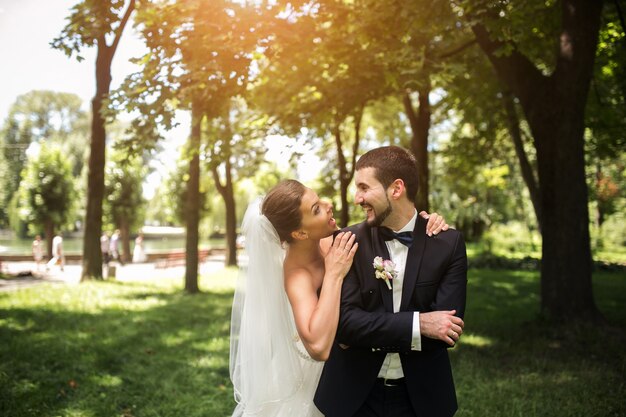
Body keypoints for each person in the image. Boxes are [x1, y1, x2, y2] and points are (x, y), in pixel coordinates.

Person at [230, 179, 449, 417]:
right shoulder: (297, 276)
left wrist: (419, 223)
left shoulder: (333, 238)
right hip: (319, 379)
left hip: (361, 360)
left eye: (319, 199)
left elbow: (383, 227)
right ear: (300, 232)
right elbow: (319, 348)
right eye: (316, 209)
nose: (328, 205)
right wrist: (333, 274)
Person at [314, 146, 467, 417]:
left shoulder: (448, 244)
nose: (357, 198)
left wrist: (371, 328)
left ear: (396, 189)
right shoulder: (347, 243)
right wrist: (419, 324)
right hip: (352, 396)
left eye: (364, 187)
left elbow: (446, 330)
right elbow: (346, 325)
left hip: (422, 398)